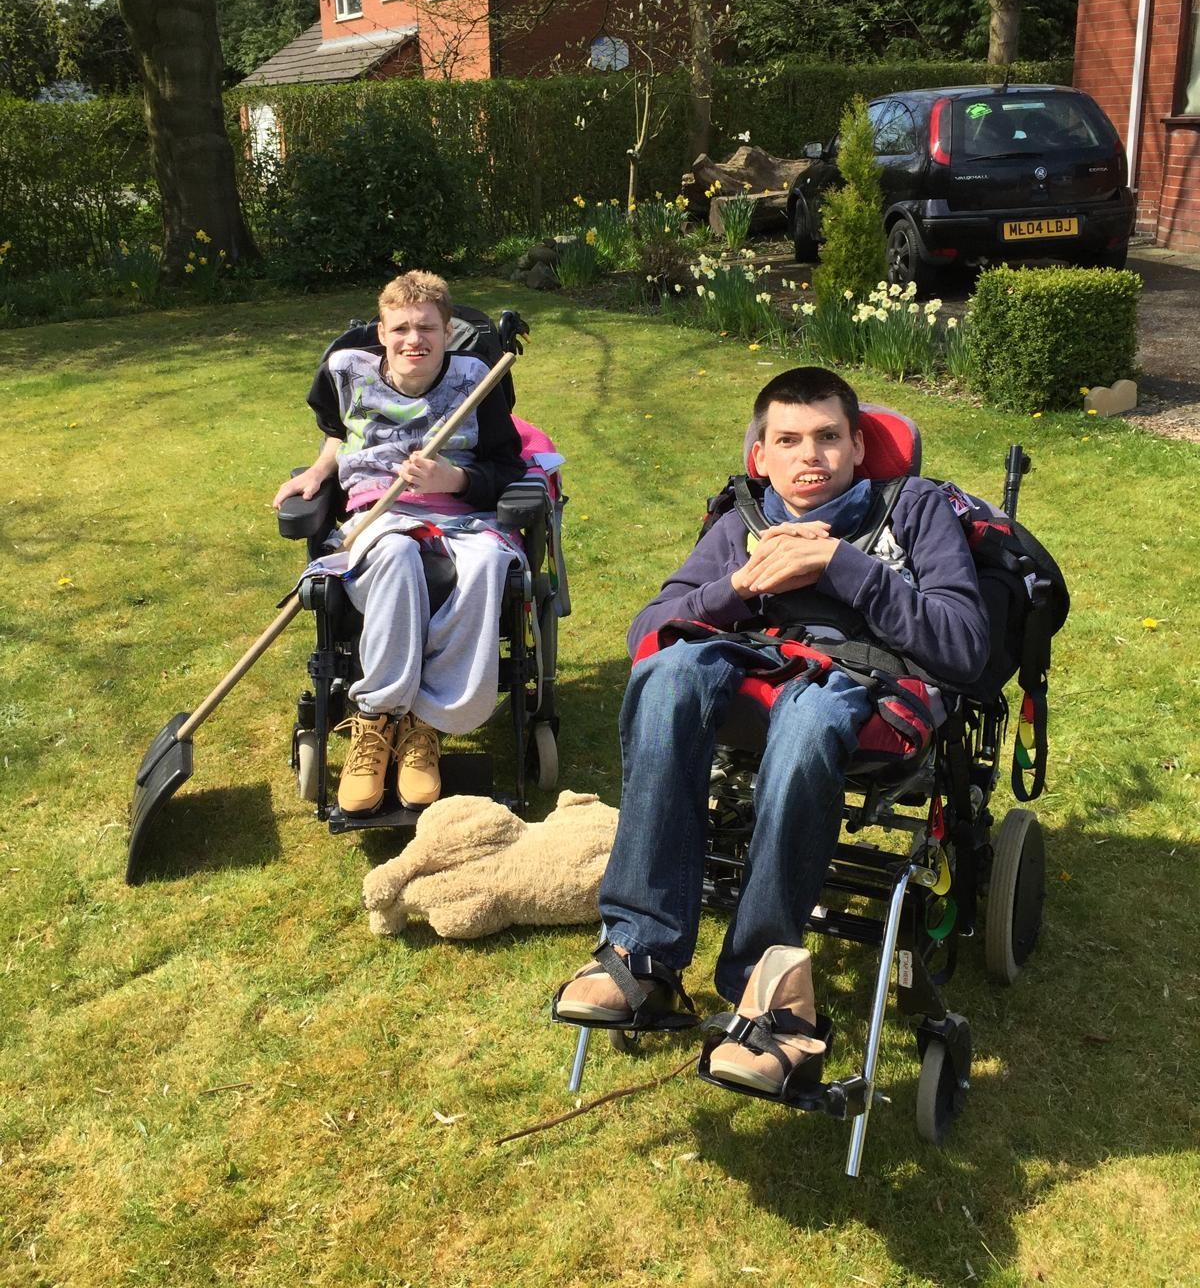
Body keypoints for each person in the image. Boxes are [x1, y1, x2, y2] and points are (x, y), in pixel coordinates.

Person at [554, 366, 990, 1095]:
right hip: (752, 667)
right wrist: (741, 585)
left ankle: (768, 992)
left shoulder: (913, 510)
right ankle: (641, 956)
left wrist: (841, 565)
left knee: (812, 715)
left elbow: (965, 646)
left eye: (827, 437)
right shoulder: (742, 520)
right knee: (665, 673)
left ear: (858, 446)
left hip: (863, 680)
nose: (808, 456)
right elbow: (647, 633)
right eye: (787, 440)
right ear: (761, 455)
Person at [273, 271, 526, 814]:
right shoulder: (346, 371)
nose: (415, 339)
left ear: (448, 328)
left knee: (488, 563)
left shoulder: (478, 379)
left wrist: (452, 480)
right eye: (401, 328)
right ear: (382, 333)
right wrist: (320, 470)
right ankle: (378, 716)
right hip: (378, 515)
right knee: (395, 552)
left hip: (462, 514)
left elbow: (507, 465)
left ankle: (425, 726)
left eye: (427, 328)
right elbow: (339, 431)